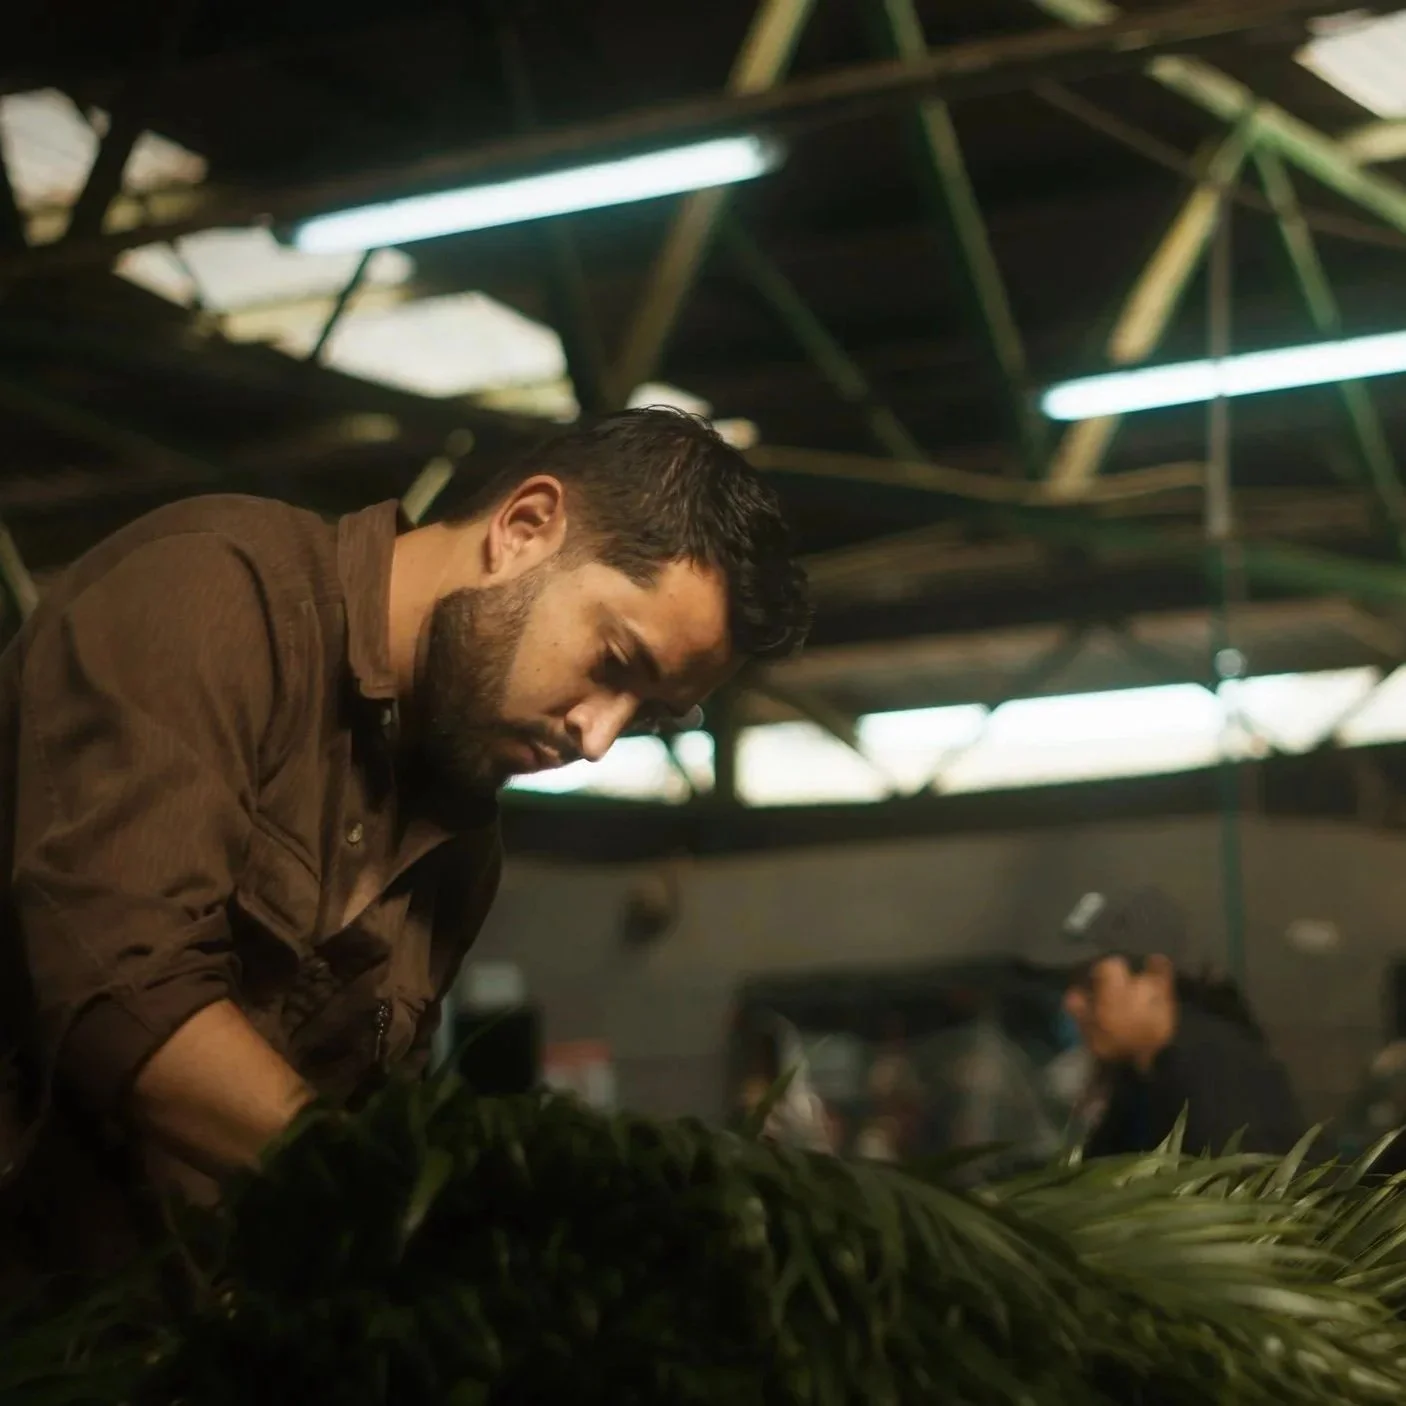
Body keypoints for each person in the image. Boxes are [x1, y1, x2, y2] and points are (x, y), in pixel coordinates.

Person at [0, 407, 810, 1288]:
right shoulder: (210, 596)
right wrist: (404, 1200)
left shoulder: (459, 846)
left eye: (647, 715)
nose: (598, 739)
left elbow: (352, 1116)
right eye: (615, 663)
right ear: (525, 526)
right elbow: (121, 989)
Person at [1040, 888, 1303, 1158]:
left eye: (1091, 984)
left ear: (1156, 977)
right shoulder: (1137, 1075)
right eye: (1068, 983)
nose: (1071, 1003)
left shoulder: (1216, 1080)